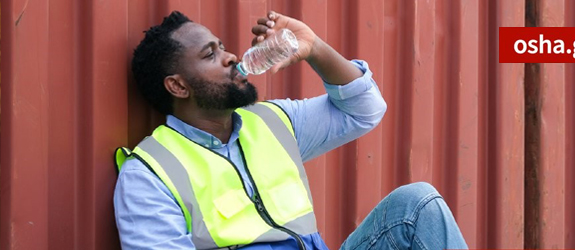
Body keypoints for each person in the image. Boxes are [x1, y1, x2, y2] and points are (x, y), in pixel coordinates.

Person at [114, 10, 468, 250]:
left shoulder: (272, 121)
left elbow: (366, 108)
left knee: (418, 205)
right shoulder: (149, 173)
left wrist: (314, 48)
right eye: (210, 55)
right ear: (178, 86)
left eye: (223, 47)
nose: (231, 57)